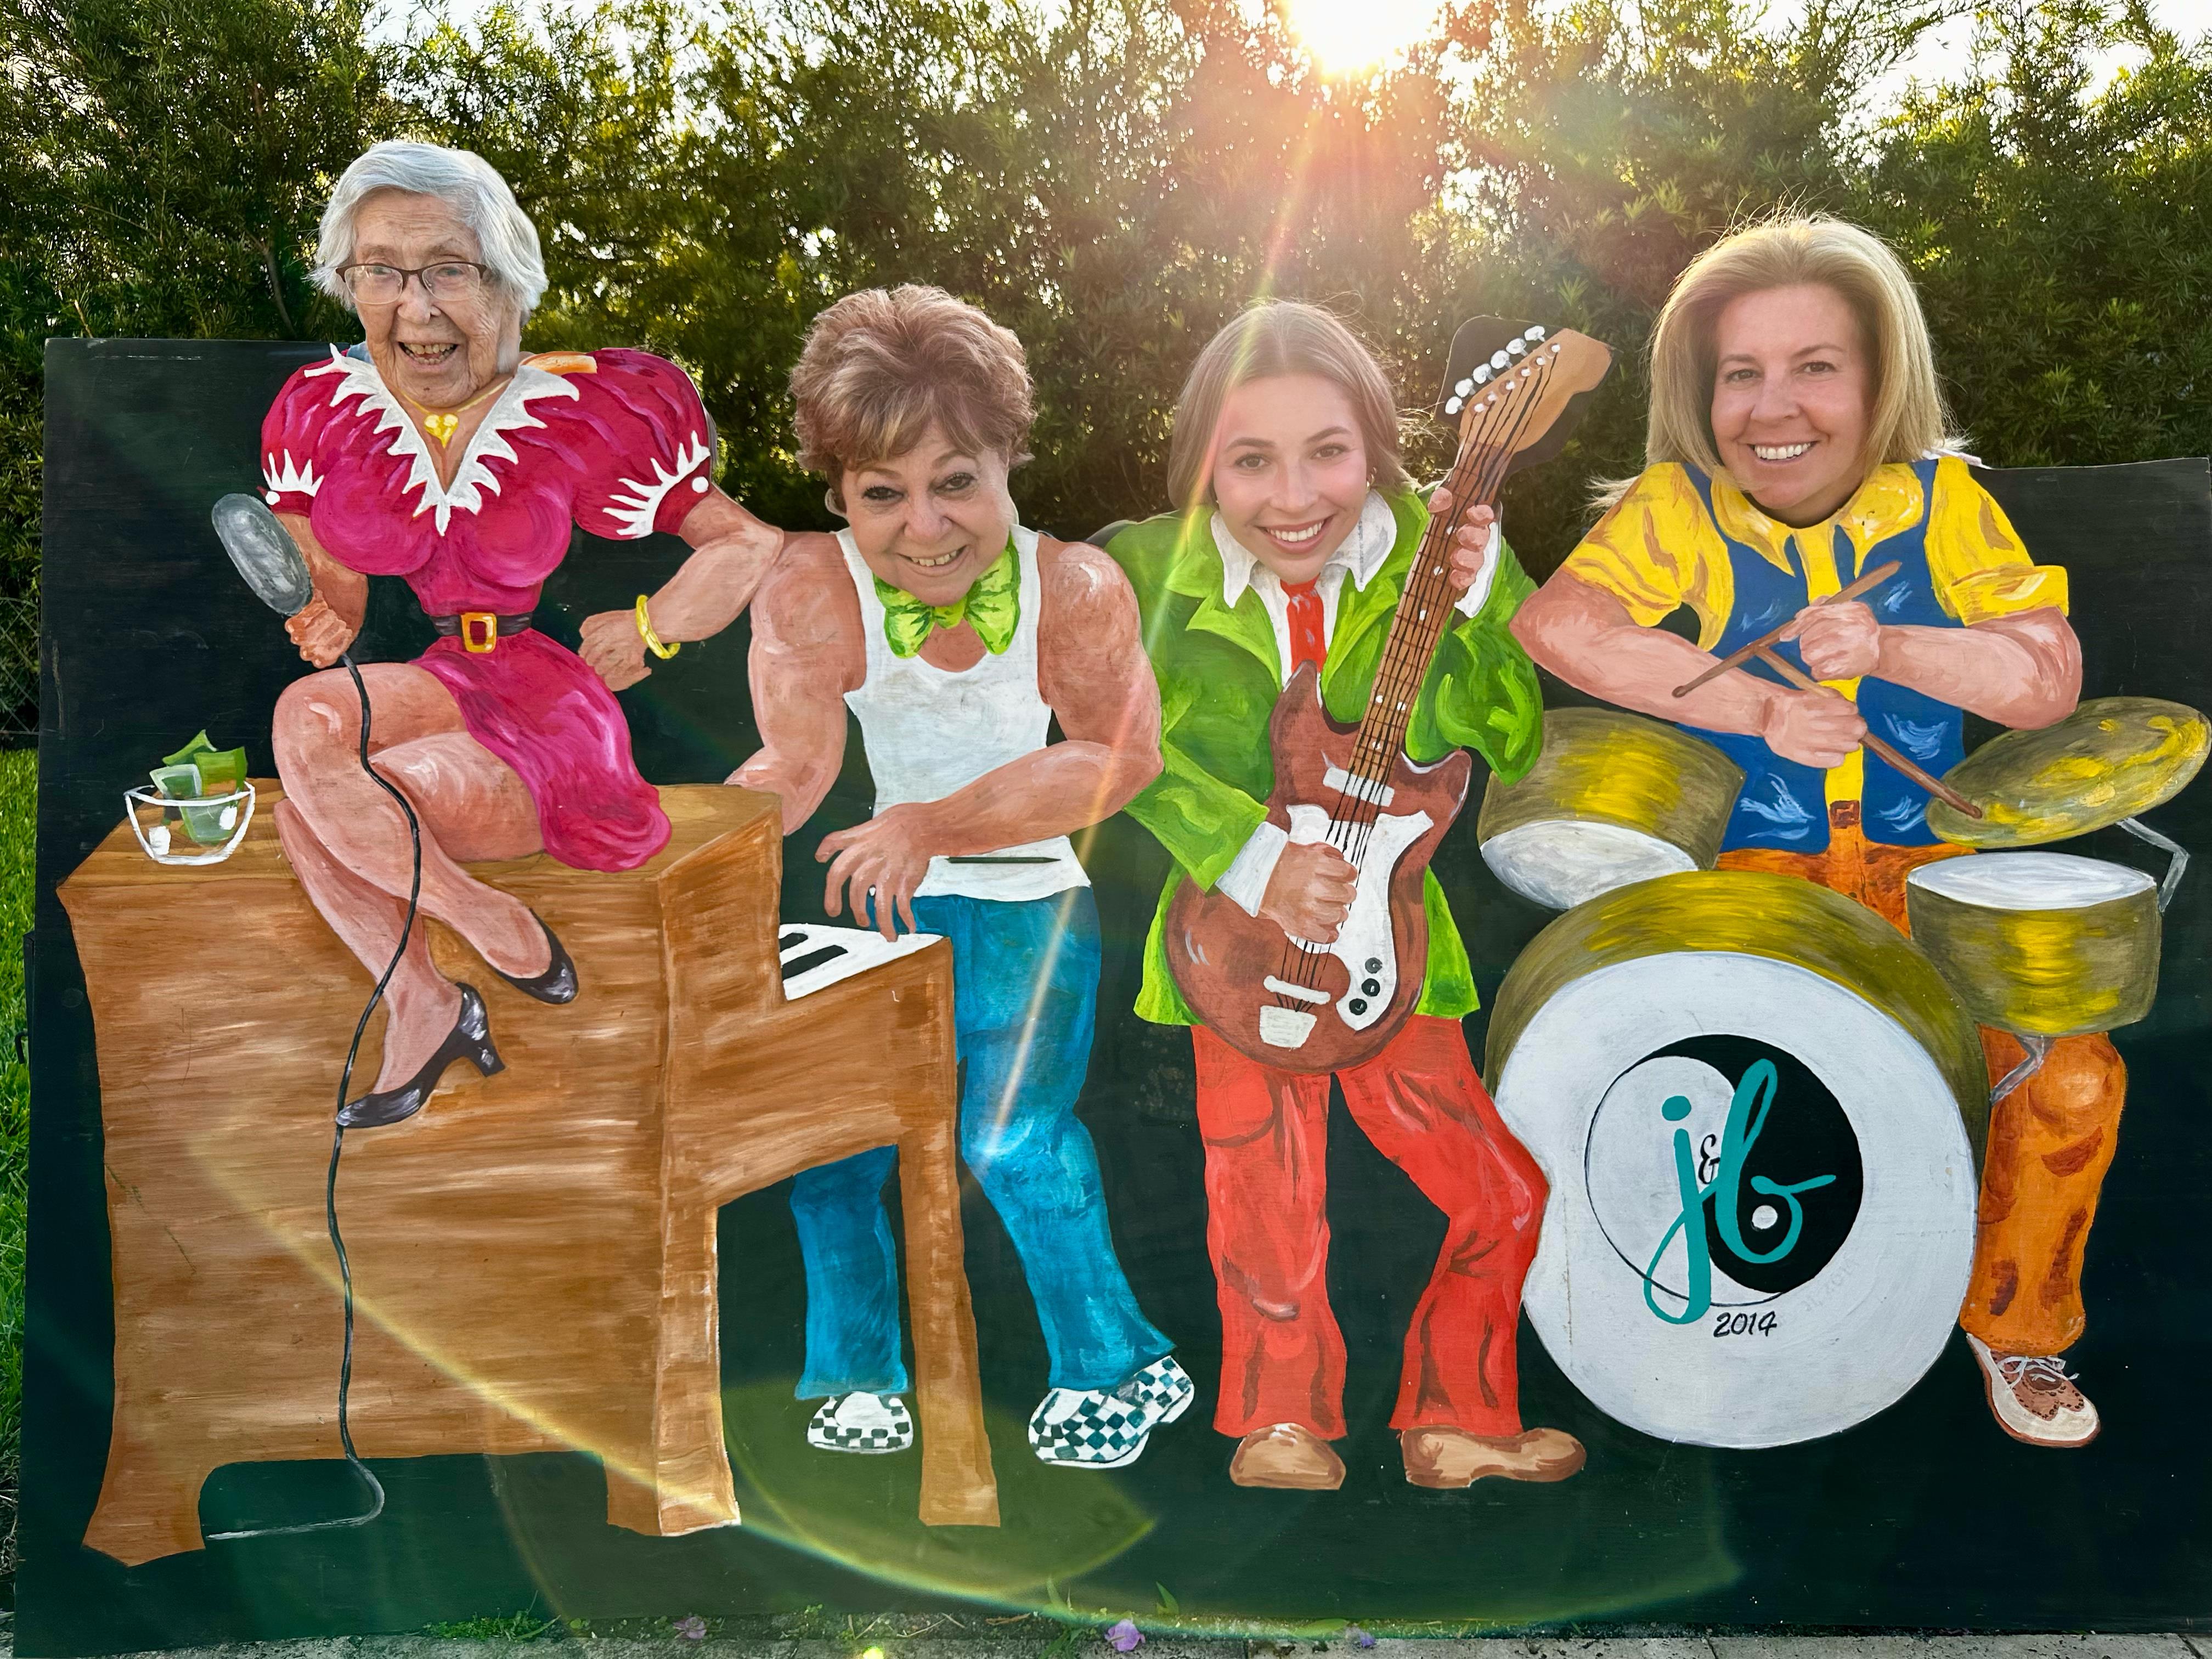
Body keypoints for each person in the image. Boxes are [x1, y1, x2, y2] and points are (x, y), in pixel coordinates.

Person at [1511, 212, 2112, 1449]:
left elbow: (2046, 676)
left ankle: (2015, 1326)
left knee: (2070, 1077)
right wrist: (1758, 708)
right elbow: (1560, 627)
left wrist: (1893, 646)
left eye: (1815, 366)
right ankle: (1720, 1334)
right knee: (1713, 1095)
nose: (1771, 406)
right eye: (1741, 372)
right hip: (1753, 881)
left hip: (1928, 874)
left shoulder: (1944, 503)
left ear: (1882, 380)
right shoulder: (1680, 508)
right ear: (1702, 393)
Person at [1106, 301, 1585, 1492]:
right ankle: (1280, 1420)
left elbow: (1511, 739)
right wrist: (1255, 860)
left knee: (1499, 1190)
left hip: (1395, 942)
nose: (1292, 496)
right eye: (1249, 461)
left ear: (1377, 446)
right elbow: (1112, 746)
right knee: (1260, 1191)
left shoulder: (1441, 542)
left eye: (1328, 452)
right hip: (1232, 942)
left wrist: (1483, 600)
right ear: (1201, 466)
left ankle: (1457, 1418)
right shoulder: (1144, 574)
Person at [722, 285, 1192, 1467]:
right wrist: (687, 846)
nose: (925, 527)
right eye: (884, 493)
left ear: (1007, 461)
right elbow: (795, 765)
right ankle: (857, 1373)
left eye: (956, 482)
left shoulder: (1073, 586)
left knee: (1012, 1142)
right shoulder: (812, 588)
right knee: (833, 1146)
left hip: (1032, 907)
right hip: (886, 913)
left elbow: (1120, 757)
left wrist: (931, 824)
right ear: (839, 495)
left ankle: (1113, 1368)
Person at [258, 140, 787, 1129]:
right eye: (381, 272)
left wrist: (654, 629)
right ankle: (470, 940)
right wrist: (323, 612)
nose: (415, 308)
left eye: (448, 270)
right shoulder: (326, 413)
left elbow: (746, 545)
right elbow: (344, 601)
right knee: (309, 727)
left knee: (318, 814)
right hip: (442, 676)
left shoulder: (590, 404)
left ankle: (437, 997)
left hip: (546, 709)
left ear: (509, 281)